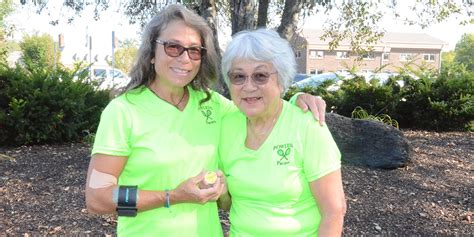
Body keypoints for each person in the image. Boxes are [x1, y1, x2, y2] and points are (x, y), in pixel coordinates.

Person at [85, 4, 326, 237]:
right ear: (151, 53)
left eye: (194, 50)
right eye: (173, 47)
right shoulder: (123, 112)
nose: (184, 58)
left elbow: (261, 108)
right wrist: (172, 196)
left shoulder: (213, 105)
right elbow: (97, 198)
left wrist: (297, 102)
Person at [218, 29, 346, 236]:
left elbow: (334, 210)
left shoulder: (307, 126)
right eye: (238, 76)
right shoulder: (226, 126)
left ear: (281, 79)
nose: (248, 86)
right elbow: (227, 202)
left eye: (260, 76)